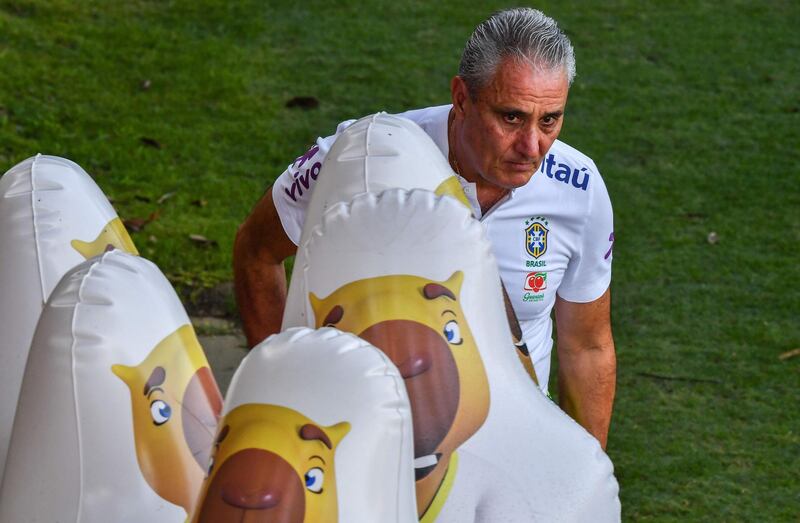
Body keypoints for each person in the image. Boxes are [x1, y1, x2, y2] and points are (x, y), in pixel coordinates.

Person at [233, 8, 616, 448]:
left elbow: (586, 347)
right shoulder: (365, 159)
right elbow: (256, 251)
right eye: (511, 117)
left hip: (508, 455)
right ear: (461, 97)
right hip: (370, 449)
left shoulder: (580, 189)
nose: (532, 146)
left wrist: (587, 478)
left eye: (549, 120)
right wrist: (279, 397)